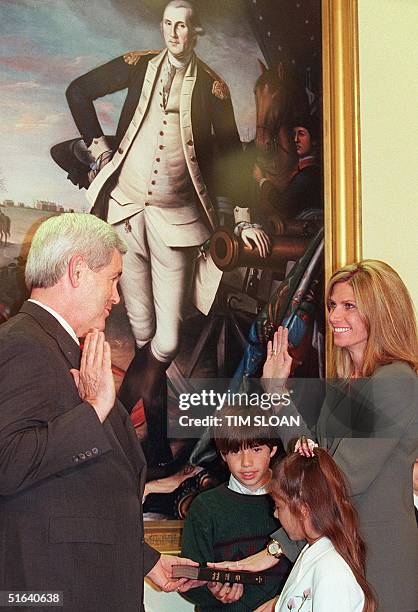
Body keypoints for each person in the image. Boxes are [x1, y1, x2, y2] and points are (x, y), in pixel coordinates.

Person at [52, 0, 270, 476]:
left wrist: (246, 217)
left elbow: (232, 157)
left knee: (164, 341)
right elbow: (77, 92)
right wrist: (97, 145)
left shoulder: (213, 87)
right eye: (169, 24)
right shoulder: (136, 66)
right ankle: (152, 455)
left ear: (196, 32)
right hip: (126, 212)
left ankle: (107, 430)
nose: (176, 33)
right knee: (148, 335)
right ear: (163, 27)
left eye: (185, 26)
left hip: (178, 220)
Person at [0, 213, 199, 612]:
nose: (117, 296)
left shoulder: (59, 347)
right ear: (77, 270)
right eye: (113, 278)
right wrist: (93, 410)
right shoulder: (23, 345)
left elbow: (77, 492)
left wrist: (148, 560)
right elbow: (7, 463)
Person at [213, 260, 418, 612]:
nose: (335, 315)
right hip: (339, 555)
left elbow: (337, 479)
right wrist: (277, 393)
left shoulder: (394, 380)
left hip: (378, 562)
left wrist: (273, 551)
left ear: (381, 313)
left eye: (349, 306)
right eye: (333, 305)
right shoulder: (343, 385)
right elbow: (309, 460)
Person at [180, 405, 291, 610]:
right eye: (235, 451)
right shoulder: (205, 508)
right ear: (223, 455)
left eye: (256, 449)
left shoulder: (295, 502)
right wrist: (211, 589)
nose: (246, 462)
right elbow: (187, 578)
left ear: (273, 449)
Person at [266, 448, 376, 612]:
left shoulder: (332, 571)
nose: (275, 514)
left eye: (279, 507)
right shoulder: (312, 553)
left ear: (303, 509)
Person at [254, 114, 321, 222]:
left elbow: (282, 205)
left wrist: (262, 180)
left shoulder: (309, 174)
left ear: (314, 140)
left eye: (301, 134)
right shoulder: (302, 170)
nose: (295, 139)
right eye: (294, 134)